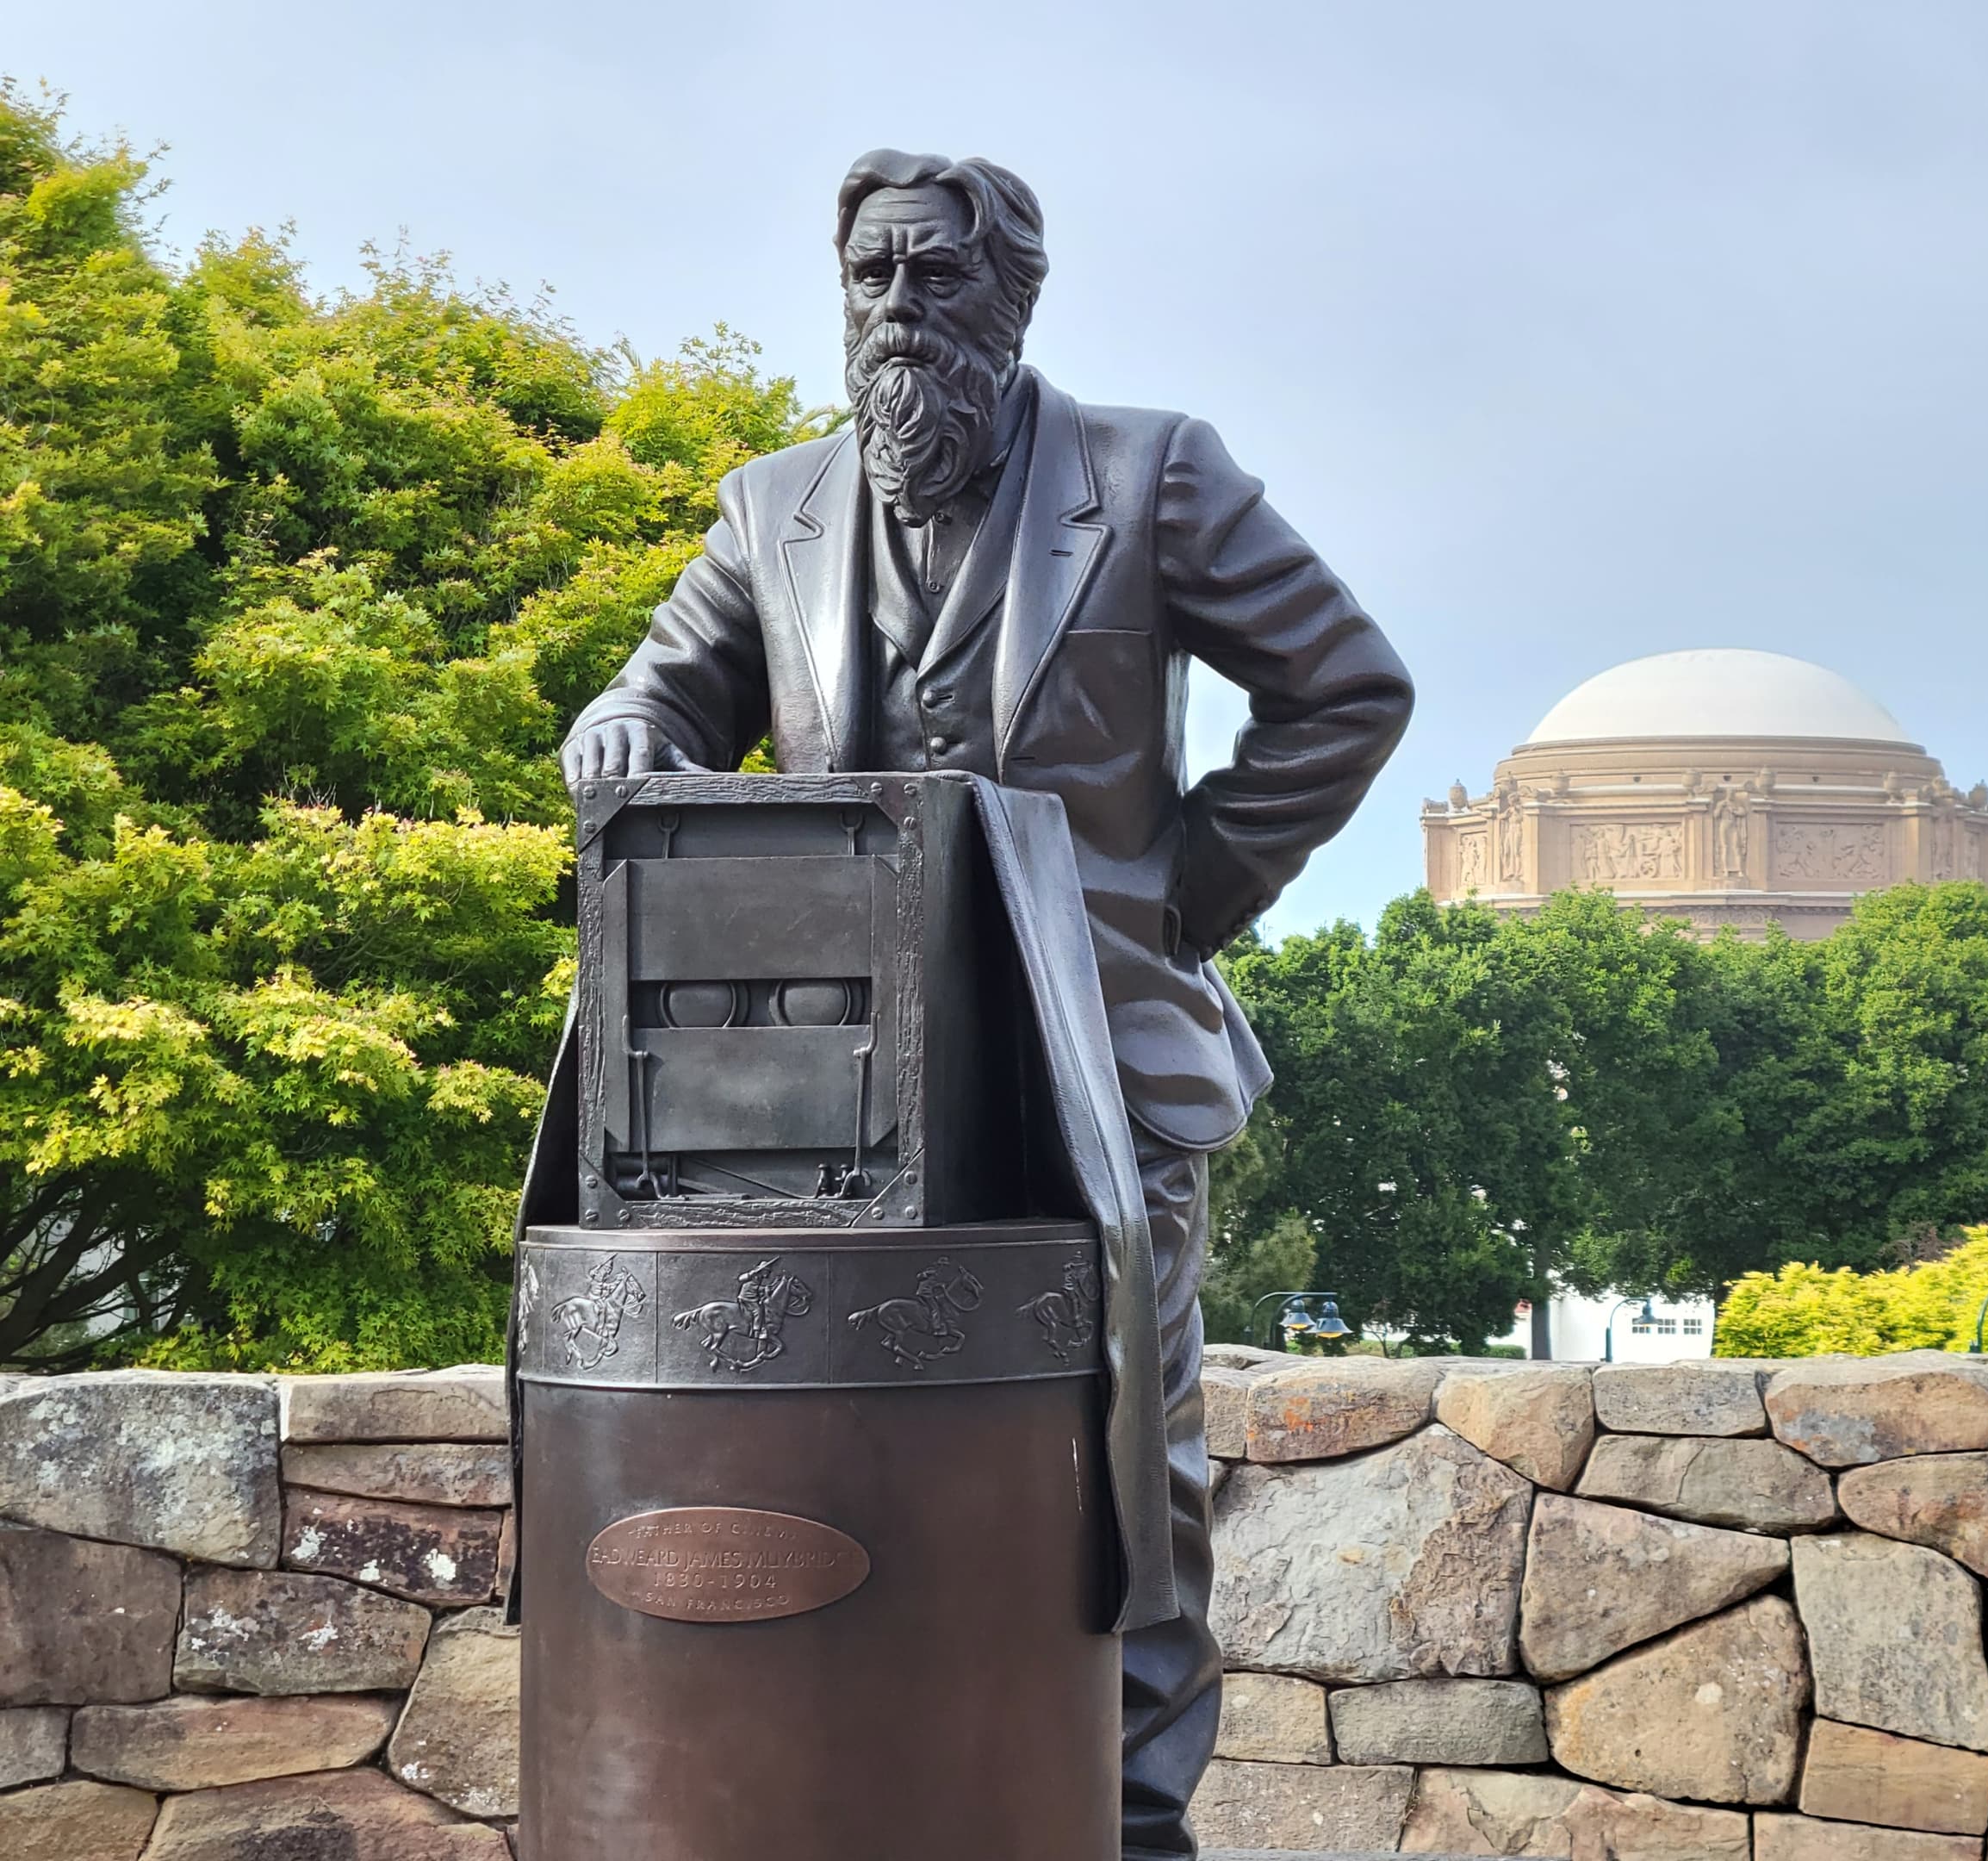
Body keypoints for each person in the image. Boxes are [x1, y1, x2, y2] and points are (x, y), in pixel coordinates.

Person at [561, 148, 1413, 1860]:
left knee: (1122, 1481)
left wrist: (1169, 901)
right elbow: (658, 695)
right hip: (836, 1113)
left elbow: (1345, 689)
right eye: (872, 277)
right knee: (868, 1461)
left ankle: (1133, 1825)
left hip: (1094, 1076)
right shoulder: (771, 509)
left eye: (935, 278)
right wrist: (626, 735)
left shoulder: (1150, 475)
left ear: (1007, 299)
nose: (897, 312)